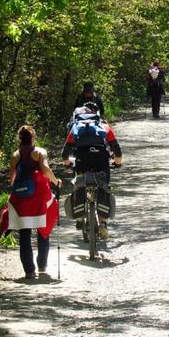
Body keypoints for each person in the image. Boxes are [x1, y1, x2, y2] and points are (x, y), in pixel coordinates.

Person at [0, 125, 62, 279]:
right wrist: (56, 181)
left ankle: (29, 271)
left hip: (22, 198)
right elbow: (46, 169)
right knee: (43, 228)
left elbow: (12, 179)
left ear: (19, 139)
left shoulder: (15, 155)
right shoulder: (39, 152)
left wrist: (17, 190)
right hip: (40, 196)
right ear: (33, 137)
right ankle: (42, 265)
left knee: (24, 233)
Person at [62, 102, 122, 239]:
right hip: (101, 159)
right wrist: (117, 163)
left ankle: (80, 215)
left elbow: (65, 153)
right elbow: (116, 149)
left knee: (79, 184)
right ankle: (103, 224)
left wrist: (67, 164)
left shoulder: (75, 127)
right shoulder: (104, 126)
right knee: (104, 188)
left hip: (82, 160)